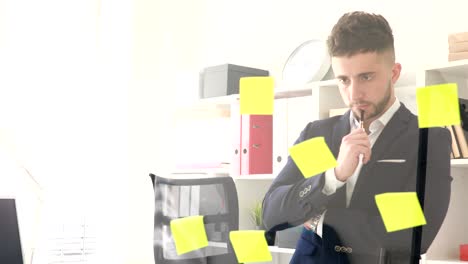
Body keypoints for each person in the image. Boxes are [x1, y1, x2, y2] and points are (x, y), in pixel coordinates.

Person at [262, 11, 452, 264]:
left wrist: (320, 219)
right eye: (343, 80)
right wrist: (334, 176)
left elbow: (415, 236)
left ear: (394, 73)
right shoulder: (315, 133)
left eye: (366, 77)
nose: (354, 93)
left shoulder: (429, 139)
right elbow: (272, 214)